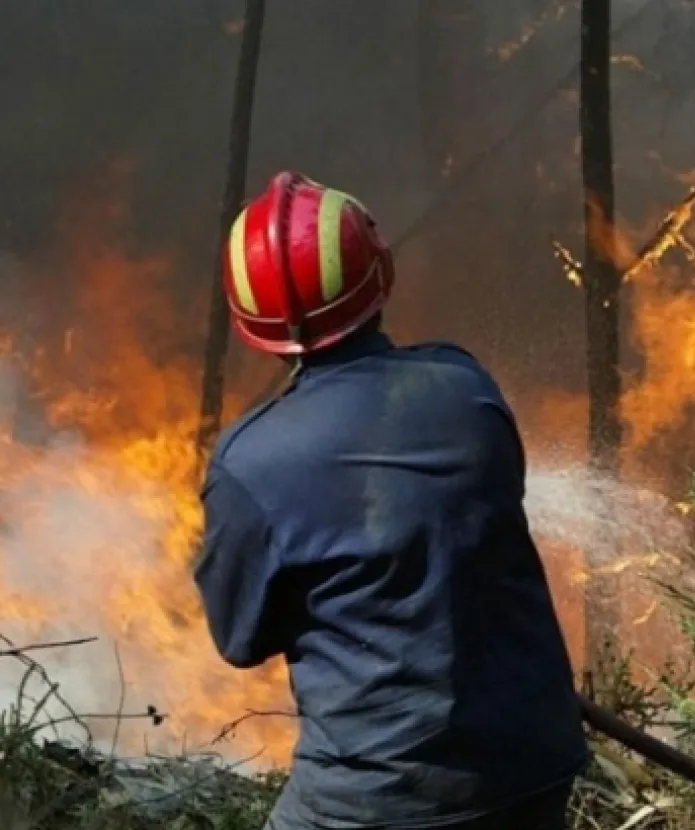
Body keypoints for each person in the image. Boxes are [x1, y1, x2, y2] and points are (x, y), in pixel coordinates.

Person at [192, 171, 588, 830]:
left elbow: (240, 640)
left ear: (247, 321)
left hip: (376, 799)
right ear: (379, 278)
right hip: (530, 769)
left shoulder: (250, 463)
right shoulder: (464, 388)